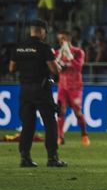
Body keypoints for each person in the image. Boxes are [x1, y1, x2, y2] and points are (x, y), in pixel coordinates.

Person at [10, 20, 65, 168]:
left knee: (27, 124)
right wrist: (59, 66)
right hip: (41, 89)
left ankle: (25, 157)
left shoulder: (19, 47)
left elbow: (11, 68)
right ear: (41, 31)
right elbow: (54, 69)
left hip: (25, 89)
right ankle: (52, 158)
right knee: (50, 123)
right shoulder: (44, 47)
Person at [54, 30, 88, 147]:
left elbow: (78, 67)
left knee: (78, 112)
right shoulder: (57, 53)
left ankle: (84, 134)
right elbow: (54, 69)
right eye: (60, 39)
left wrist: (70, 57)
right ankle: (60, 136)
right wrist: (58, 59)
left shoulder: (78, 52)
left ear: (68, 39)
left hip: (75, 87)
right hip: (62, 87)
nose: (61, 41)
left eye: (63, 39)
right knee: (60, 111)